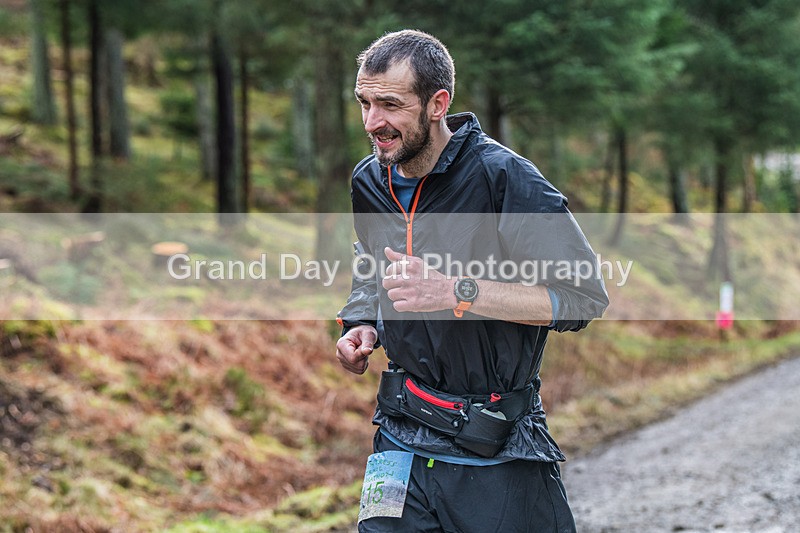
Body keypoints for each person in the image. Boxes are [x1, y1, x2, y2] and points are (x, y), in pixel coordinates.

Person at [336, 29, 608, 532]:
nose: (373, 122)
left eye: (390, 105)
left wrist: (458, 292)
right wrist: (363, 321)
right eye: (364, 103)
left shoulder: (504, 179)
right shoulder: (370, 180)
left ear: (437, 103)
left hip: (494, 448)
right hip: (399, 438)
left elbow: (583, 297)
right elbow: (370, 260)